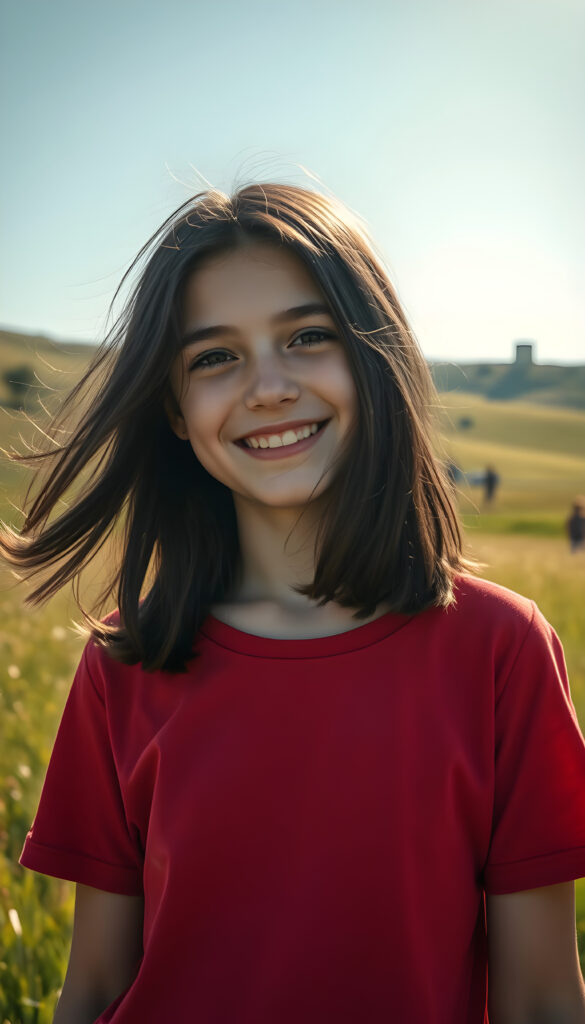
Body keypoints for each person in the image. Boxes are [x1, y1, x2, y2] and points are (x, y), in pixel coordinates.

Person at [3, 183, 585, 1024]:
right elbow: (93, 989)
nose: (268, 387)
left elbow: (541, 999)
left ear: (372, 355)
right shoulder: (126, 662)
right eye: (214, 357)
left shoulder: (500, 651)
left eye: (307, 337)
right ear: (174, 409)